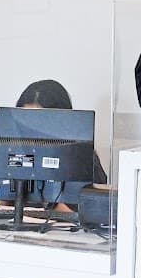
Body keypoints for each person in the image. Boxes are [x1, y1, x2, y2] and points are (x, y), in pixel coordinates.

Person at [15, 79, 108, 209]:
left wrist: (55, 207)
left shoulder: (82, 159)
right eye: (26, 120)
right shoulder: (15, 154)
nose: (31, 129)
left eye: (39, 121)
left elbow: (94, 213)